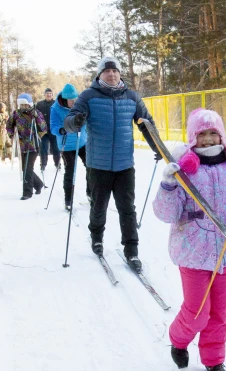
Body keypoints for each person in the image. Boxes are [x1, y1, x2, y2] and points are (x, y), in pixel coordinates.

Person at [152, 108, 226, 371]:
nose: (209, 139)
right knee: (197, 312)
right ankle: (179, 340)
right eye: (202, 134)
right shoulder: (185, 171)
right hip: (193, 252)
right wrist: (167, 185)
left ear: (222, 136)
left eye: (214, 133)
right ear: (192, 138)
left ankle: (214, 360)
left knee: (219, 314)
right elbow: (166, 214)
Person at [64, 56, 161, 272]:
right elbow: (70, 121)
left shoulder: (132, 97)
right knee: (98, 205)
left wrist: (158, 148)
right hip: (98, 164)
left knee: (127, 209)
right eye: (107, 71)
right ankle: (96, 237)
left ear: (120, 74)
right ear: (100, 75)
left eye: (115, 71)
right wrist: (75, 121)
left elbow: (147, 124)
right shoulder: (89, 96)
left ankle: (132, 251)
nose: (112, 74)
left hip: (125, 164)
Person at [50, 83, 90, 210]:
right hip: (66, 145)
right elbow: (53, 127)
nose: (73, 102)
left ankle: (91, 194)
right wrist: (61, 130)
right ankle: (68, 199)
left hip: (82, 141)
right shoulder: (55, 108)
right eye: (70, 100)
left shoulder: (81, 105)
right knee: (70, 171)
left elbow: (89, 120)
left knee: (91, 167)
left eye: (75, 99)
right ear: (65, 99)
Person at [6, 93, 48, 200]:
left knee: (27, 168)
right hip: (22, 146)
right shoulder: (16, 114)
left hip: (34, 145)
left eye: (25, 105)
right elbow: (9, 125)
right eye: (22, 105)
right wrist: (11, 135)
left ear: (29, 104)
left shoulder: (36, 113)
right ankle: (38, 184)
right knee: (25, 169)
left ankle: (27, 192)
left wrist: (36, 117)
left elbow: (43, 127)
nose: (24, 107)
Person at [36, 88, 61, 171]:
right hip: (44, 131)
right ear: (44, 94)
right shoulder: (39, 104)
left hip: (54, 130)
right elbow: (36, 116)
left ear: (52, 95)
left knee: (55, 148)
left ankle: (57, 164)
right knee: (43, 148)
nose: (49, 95)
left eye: (50, 93)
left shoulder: (56, 104)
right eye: (47, 93)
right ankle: (43, 164)